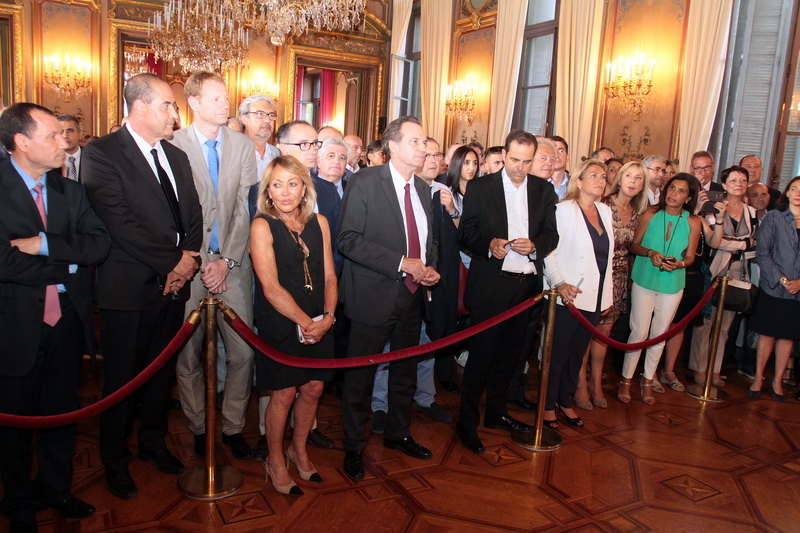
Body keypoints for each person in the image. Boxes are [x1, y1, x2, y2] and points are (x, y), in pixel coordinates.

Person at [82, 73, 203, 500]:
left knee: (160, 372)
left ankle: (152, 443)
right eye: (168, 105)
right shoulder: (100, 153)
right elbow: (120, 223)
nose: (175, 113)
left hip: (174, 286)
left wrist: (187, 263)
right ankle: (114, 460)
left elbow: (193, 214)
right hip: (128, 289)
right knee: (122, 379)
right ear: (139, 107)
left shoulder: (176, 154)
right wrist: (173, 261)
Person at [0, 102, 110, 532]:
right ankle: (18, 505)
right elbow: (4, 264)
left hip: (66, 322)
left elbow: (98, 246)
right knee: (13, 424)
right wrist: (68, 264)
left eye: (65, 135)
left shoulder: (71, 191)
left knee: (61, 413)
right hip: (14, 326)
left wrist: (43, 244)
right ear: (21, 142)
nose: (64, 143)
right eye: (52, 136)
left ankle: (57, 489)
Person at [338, 116, 441, 480]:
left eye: (425, 141)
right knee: (360, 376)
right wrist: (402, 263)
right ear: (393, 146)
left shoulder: (426, 189)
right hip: (373, 294)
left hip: (412, 297)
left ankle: (398, 432)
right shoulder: (365, 182)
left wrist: (430, 267)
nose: (424, 148)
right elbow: (348, 239)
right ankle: (353, 445)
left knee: (404, 372)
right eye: (415, 141)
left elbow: (428, 242)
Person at [170, 71, 257, 460]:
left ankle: (233, 426)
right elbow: (171, 213)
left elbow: (245, 208)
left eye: (227, 98)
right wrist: (198, 261)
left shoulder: (242, 145)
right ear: (193, 102)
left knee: (243, 352)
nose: (226, 104)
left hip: (233, 267)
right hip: (187, 267)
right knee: (186, 354)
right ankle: (199, 427)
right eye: (217, 98)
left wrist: (227, 260)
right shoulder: (173, 145)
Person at [456, 130, 558, 451]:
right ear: (504, 153)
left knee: (511, 357)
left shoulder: (543, 190)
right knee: (481, 358)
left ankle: (496, 413)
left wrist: (535, 246)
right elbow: (466, 233)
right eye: (514, 159)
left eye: (527, 161)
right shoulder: (481, 187)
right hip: (491, 287)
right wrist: (489, 244)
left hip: (527, 287)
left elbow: (551, 235)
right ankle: (467, 422)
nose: (519, 167)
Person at [250, 155, 337, 495]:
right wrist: (305, 323)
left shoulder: (320, 222)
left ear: (304, 188)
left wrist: (327, 317)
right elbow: (270, 287)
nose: (285, 192)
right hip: (282, 319)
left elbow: (330, 274)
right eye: (277, 185)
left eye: (292, 183)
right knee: (284, 392)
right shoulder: (262, 225)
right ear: (268, 191)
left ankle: (298, 450)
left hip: (319, 318)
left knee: (314, 388)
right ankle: (274, 459)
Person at [542, 160, 614, 427]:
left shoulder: (605, 212)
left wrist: (606, 298)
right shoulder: (563, 210)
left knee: (577, 355)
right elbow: (550, 253)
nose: (600, 180)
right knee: (558, 353)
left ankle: (565, 401)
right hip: (566, 296)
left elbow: (607, 259)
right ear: (579, 180)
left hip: (594, 296)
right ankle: (548, 405)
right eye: (593, 175)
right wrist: (559, 283)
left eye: (604, 176)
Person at [621, 173, 701, 404]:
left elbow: (690, 257)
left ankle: (647, 379)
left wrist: (679, 264)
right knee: (639, 331)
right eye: (672, 188)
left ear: (688, 197)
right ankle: (626, 379)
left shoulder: (693, 222)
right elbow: (634, 245)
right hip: (645, 278)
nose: (674, 194)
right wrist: (651, 253)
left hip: (672, 283)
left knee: (660, 334)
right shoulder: (650, 213)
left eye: (681, 191)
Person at [575, 161, 648, 410]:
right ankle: (580, 384)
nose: (632, 181)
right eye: (629, 175)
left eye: (638, 178)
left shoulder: (639, 212)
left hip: (618, 278)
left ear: (642, 185)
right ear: (618, 178)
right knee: (587, 331)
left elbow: (634, 247)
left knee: (604, 334)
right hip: (595, 274)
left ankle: (596, 382)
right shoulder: (603, 204)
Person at [688, 166, 756, 386]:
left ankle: (715, 370)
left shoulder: (751, 212)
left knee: (725, 326)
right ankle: (699, 368)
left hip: (738, 274)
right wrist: (742, 243)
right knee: (705, 322)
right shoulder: (712, 208)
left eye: (743, 180)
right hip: (714, 271)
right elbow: (713, 241)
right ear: (724, 185)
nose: (738, 183)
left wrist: (741, 244)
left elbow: (754, 244)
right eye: (733, 180)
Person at [659, 175, 725, 392]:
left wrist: (721, 219)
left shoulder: (700, 221)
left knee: (679, 326)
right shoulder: (671, 216)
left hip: (693, 276)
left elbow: (715, 242)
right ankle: (650, 371)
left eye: (684, 191)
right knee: (662, 324)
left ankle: (668, 370)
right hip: (669, 273)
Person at [747, 176, 800, 401]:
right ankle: (758, 378)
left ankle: (777, 380)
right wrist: (782, 279)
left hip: (798, 290)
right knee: (767, 332)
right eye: (795, 189)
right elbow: (763, 252)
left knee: (787, 336)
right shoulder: (775, 217)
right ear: (787, 193)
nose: (798, 193)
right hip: (773, 285)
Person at [238, 94, 281, 180]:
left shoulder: (277, 154)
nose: (267, 120)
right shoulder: (233, 153)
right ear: (244, 119)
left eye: (271, 115)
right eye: (260, 114)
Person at [444, 145, 479, 218]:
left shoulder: (481, 191)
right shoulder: (449, 194)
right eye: (466, 162)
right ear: (457, 163)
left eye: (475, 163)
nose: (472, 168)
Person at [57, 114, 82, 182]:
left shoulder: (92, 157)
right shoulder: (48, 159)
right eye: (61, 132)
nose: (65, 135)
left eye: (70, 130)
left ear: (80, 134)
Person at [549, 136, 570, 200]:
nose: (557, 155)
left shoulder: (576, 184)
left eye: (561, 151)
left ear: (567, 157)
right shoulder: (537, 183)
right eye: (552, 150)